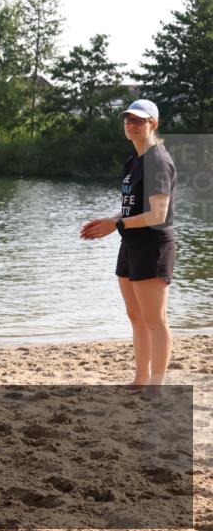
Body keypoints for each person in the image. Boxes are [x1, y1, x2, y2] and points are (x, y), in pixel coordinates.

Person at [80, 99, 176, 393]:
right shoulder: (134, 160)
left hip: (153, 245)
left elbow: (157, 215)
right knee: (136, 316)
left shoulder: (158, 161)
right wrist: (110, 221)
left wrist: (117, 224)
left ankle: (156, 385)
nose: (132, 125)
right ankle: (140, 378)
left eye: (139, 120)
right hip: (131, 243)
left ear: (153, 124)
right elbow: (133, 210)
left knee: (155, 319)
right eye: (128, 120)